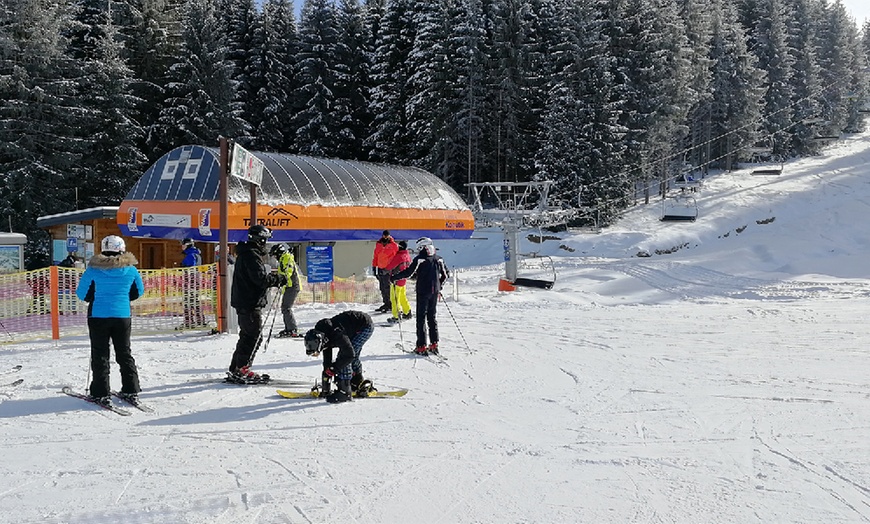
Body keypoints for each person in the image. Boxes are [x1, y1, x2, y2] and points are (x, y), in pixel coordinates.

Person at [75, 235, 145, 406]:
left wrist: (94, 298)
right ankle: (131, 389)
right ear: (122, 248)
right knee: (124, 353)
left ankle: (100, 392)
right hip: (122, 316)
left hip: (98, 315)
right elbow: (139, 291)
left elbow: (82, 294)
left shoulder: (93, 270)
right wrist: (122, 299)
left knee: (100, 354)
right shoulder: (131, 269)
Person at [227, 225, 286, 382]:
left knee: (247, 335)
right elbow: (260, 279)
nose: (265, 244)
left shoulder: (246, 254)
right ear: (260, 240)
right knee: (253, 336)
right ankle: (242, 369)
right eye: (265, 240)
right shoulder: (252, 256)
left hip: (245, 301)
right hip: (249, 302)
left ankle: (237, 368)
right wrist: (278, 279)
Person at [391, 237, 450, 355]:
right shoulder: (439, 259)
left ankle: (421, 346)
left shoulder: (420, 259)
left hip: (423, 292)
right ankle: (434, 344)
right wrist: (439, 286)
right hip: (434, 292)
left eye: (419, 248)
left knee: (421, 318)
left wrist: (394, 277)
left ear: (423, 247)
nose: (418, 251)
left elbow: (409, 272)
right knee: (432, 317)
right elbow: (446, 275)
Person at [303, 310, 375, 403]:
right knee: (350, 356)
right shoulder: (323, 334)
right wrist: (327, 373)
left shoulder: (336, 333)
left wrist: (334, 369)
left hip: (364, 326)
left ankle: (345, 392)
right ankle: (356, 381)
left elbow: (349, 355)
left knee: (345, 356)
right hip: (351, 326)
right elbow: (327, 356)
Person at [270, 243, 302, 338]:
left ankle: (292, 329)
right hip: (288, 286)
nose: (275, 258)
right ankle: (289, 328)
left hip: (292, 286)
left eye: (275, 255)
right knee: (285, 307)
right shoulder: (283, 258)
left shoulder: (287, 258)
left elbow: (288, 271)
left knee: (286, 307)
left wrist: (282, 279)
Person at [384, 240, 412, 323]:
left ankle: (396, 316)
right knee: (402, 296)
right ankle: (407, 312)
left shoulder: (398, 256)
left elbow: (389, 267)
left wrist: (384, 270)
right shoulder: (407, 255)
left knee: (395, 298)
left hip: (396, 280)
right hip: (403, 280)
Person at [180, 238, 206, 328]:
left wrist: (183, 268)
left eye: (183, 245)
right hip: (195, 281)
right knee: (194, 301)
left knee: (189, 301)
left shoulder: (191, 255)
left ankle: (189, 322)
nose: (181, 247)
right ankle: (199, 320)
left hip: (191, 281)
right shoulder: (195, 254)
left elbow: (191, 268)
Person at [371, 230, 398, 313]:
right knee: (382, 287)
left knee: (388, 286)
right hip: (380, 267)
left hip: (389, 268)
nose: (385, 237)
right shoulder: (379, 244)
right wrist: (374, 266)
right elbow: (376, 256)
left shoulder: (394, 245)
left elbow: (396, 258)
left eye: (387, 236)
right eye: (384, 236)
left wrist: (394, 268)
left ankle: (390, 304)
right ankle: (386, 303)